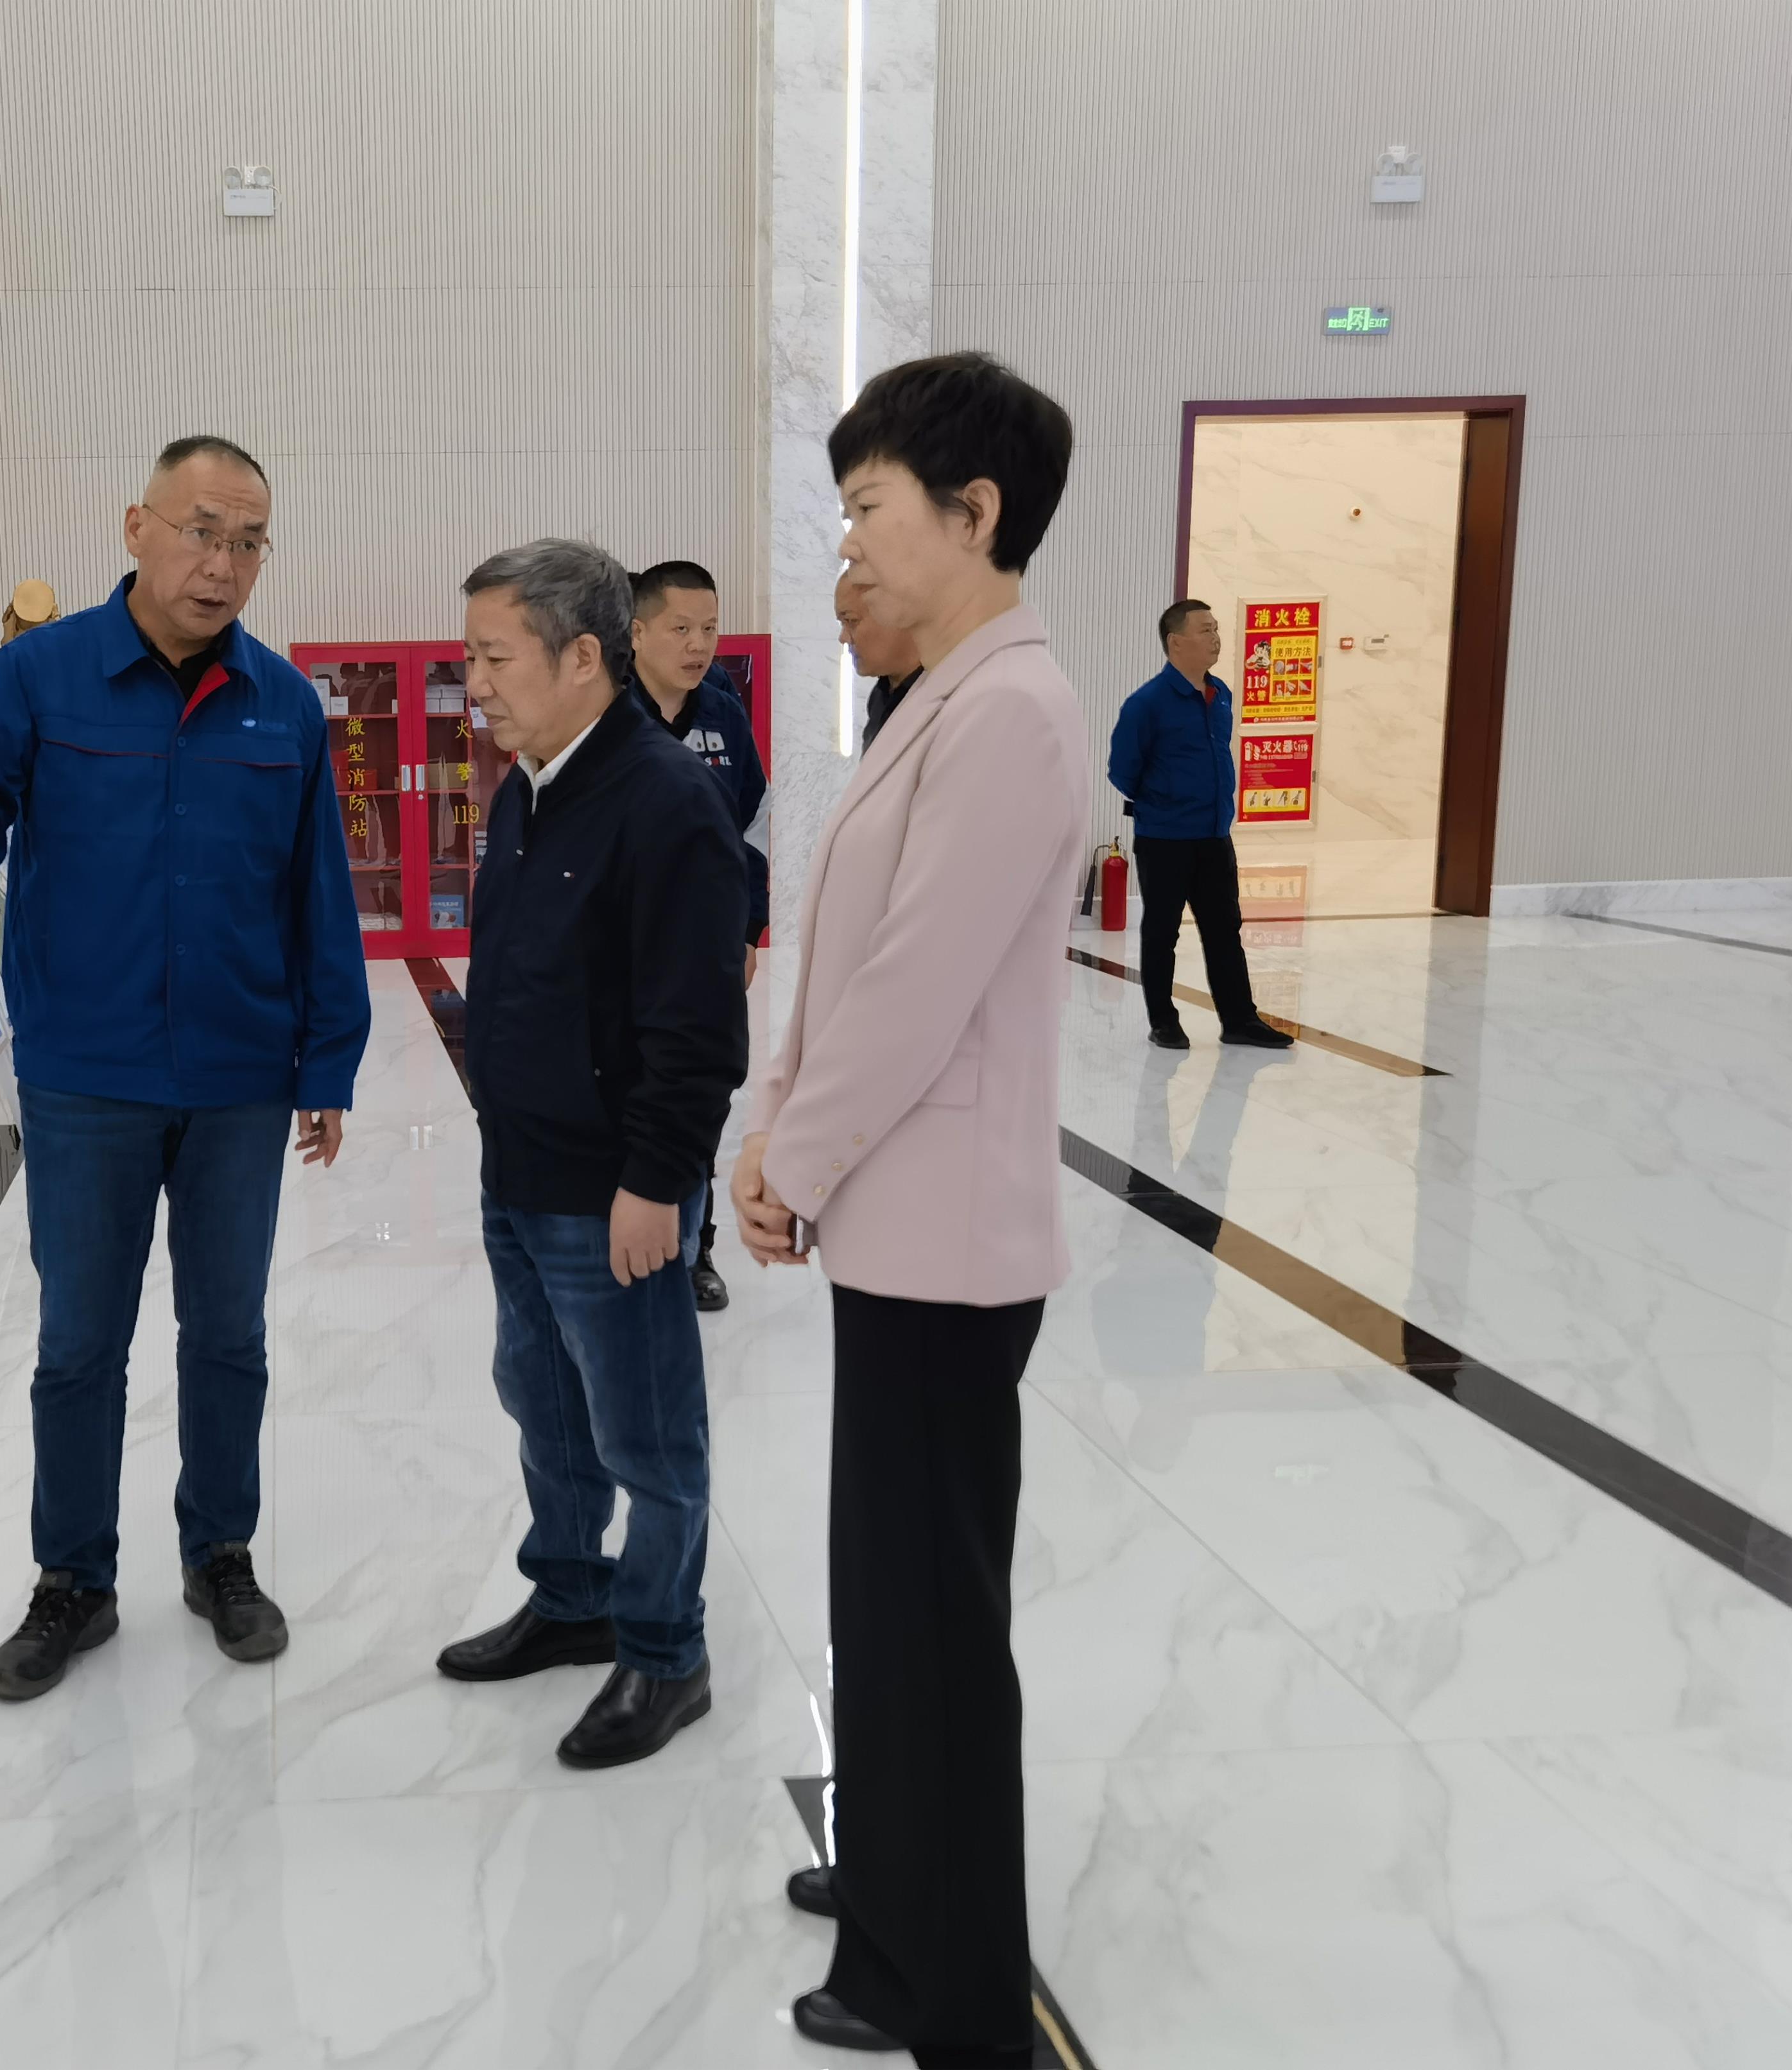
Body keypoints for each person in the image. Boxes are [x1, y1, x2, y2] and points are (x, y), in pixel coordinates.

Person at [0, 435, 370, 1701]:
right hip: (87, 1072)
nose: (223, 564)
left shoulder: (282, 704)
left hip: (240, 1074)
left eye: (248, 542)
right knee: (79, 1340)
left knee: (228, 1333)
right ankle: (73, 1578)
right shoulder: (43, 674)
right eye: (201, 531)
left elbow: (318, 892)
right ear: (137, 527)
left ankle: (220, 1553)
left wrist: (328, 1059)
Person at [731, 352, 1087, 2062]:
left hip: (943, 1245)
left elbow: (912, 988)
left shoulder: (1010, 712)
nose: (850, 541)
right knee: (887, 1601)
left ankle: (945, 1991)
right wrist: (777, 1131)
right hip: (904, 1227)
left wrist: (787, 1163)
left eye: (869, 506)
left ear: (974, 510)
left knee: (931, 1625)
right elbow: (851, 965)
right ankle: (892, 1881)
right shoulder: (946, 697)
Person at [436, 538, 748, 1770]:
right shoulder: (530, 784)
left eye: (494, 657)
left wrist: (658, 1184)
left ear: (581, 657)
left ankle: (667, 1653)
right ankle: (572, 1596)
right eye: (469, 657)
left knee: (647, 1432)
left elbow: (696, 1031)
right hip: (519, 1170)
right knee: (543, 1402)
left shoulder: (665, 803)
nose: (476, 684)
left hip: (613, 1188)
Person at [625, 558, 768, 1315]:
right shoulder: (604, 713)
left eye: (709, 628)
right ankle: (630, 1243)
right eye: (679, 628)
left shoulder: (723, 714)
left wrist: (749, 928)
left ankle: (695, 1250)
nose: (698, 644)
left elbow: (755, 824)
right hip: (625, 953)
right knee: (630, 1096)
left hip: (707, 952)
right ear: (636, 631)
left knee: (698, 1101)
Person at [1104, 602, 1295, 1050]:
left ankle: (1240, 1020)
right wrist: (1165, 799)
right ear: (1176, 642)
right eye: (1205, 630)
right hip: (1165, 838)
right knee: (1162, 932)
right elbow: (1123, 772)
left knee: (1224, 929)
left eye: (1216, 629)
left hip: (1214, 836)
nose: (1216, 638)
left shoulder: (1220, 693)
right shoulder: (1147, 703)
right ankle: (1164, 1022)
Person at [836, 565, 922, 753]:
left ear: (897, 615)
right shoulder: (881, 694)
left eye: (851, 621)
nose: (843, 638)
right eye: (842, 624)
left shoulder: (945, 699)